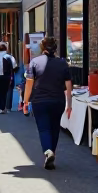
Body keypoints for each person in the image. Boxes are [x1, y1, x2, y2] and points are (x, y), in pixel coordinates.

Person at [22, 36, 73, 170]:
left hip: (40, 100)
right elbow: (68, 85)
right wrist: (70, 104)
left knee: (44, 128)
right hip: (58, 100)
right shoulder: (62, 63)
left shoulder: (34, 62)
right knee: (55, 127)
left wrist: (25, 101)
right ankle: (52, 154)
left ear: (42, 48)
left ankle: (48, 151)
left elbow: (29, 83)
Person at [0, 42, 17, 114]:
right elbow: (14, 66)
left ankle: (2, 108)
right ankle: (7, 107)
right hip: (7, 76)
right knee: (6, 91)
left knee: (0, 92)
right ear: (6, 48)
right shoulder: (9, 57)